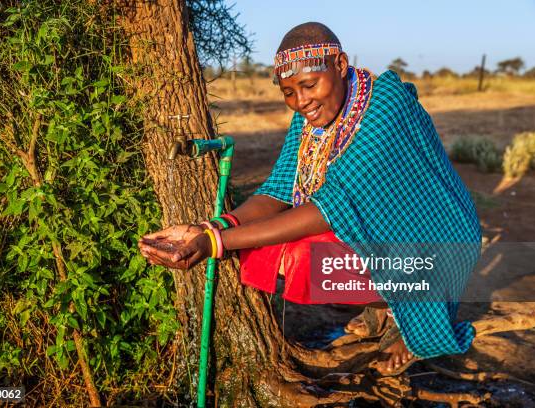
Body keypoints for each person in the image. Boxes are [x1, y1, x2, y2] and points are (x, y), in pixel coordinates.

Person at [139, 22, 481, 376]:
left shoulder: (385, 106)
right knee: (266, 252)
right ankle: (385, 306)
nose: (300, 102)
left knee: (309, 261)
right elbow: (278, 190)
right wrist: (210, 228)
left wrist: (215, 243)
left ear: (340, 65)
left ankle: (406, 309)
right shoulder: (310, 118)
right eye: (288, 92)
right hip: (381, 234)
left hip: (434, 241)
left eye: (308, 85)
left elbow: (330, 207)